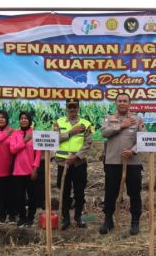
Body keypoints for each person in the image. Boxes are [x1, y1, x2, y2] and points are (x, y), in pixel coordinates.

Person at [99, 93, 145, 236]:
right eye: (120, 101)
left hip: (132, 163)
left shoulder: (137, 119)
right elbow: (104, 133)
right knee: (110, 193)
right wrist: (121, 126)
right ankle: (108, 220)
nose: (122, 103)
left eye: (125, 101)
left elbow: (143, 139)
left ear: (129, 103)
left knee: (134, 193)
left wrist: (133, 151)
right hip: (112, 162)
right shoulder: (109, 118)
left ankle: (135, 221)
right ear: (116, 103)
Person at [54, 99, 92, 230]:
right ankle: (65, 218)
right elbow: (54, 139)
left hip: (79, 163)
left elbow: (88, 143)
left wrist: (76, 156)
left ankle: (78, 217)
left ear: (78, 108)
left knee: (79, 192)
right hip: (62, 163)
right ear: (66, 108)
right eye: (69, 107)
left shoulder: (85, 124)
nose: (72, 109)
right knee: (64, 192)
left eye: (74, 107)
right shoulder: (59, 122)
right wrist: (70, 132)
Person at [10, 111, 41, 227]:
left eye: (26, 118)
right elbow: (13, 150)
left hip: (30, 171)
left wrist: (35, 168)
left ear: (30, 120)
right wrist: (25, 140)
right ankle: (22, 217)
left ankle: (30, 218)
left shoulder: (34, 134)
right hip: (17, 171)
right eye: (21, 118)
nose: (23, 120)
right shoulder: (15, 134)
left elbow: (38, 154)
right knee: (19, 196)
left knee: (33, 196)